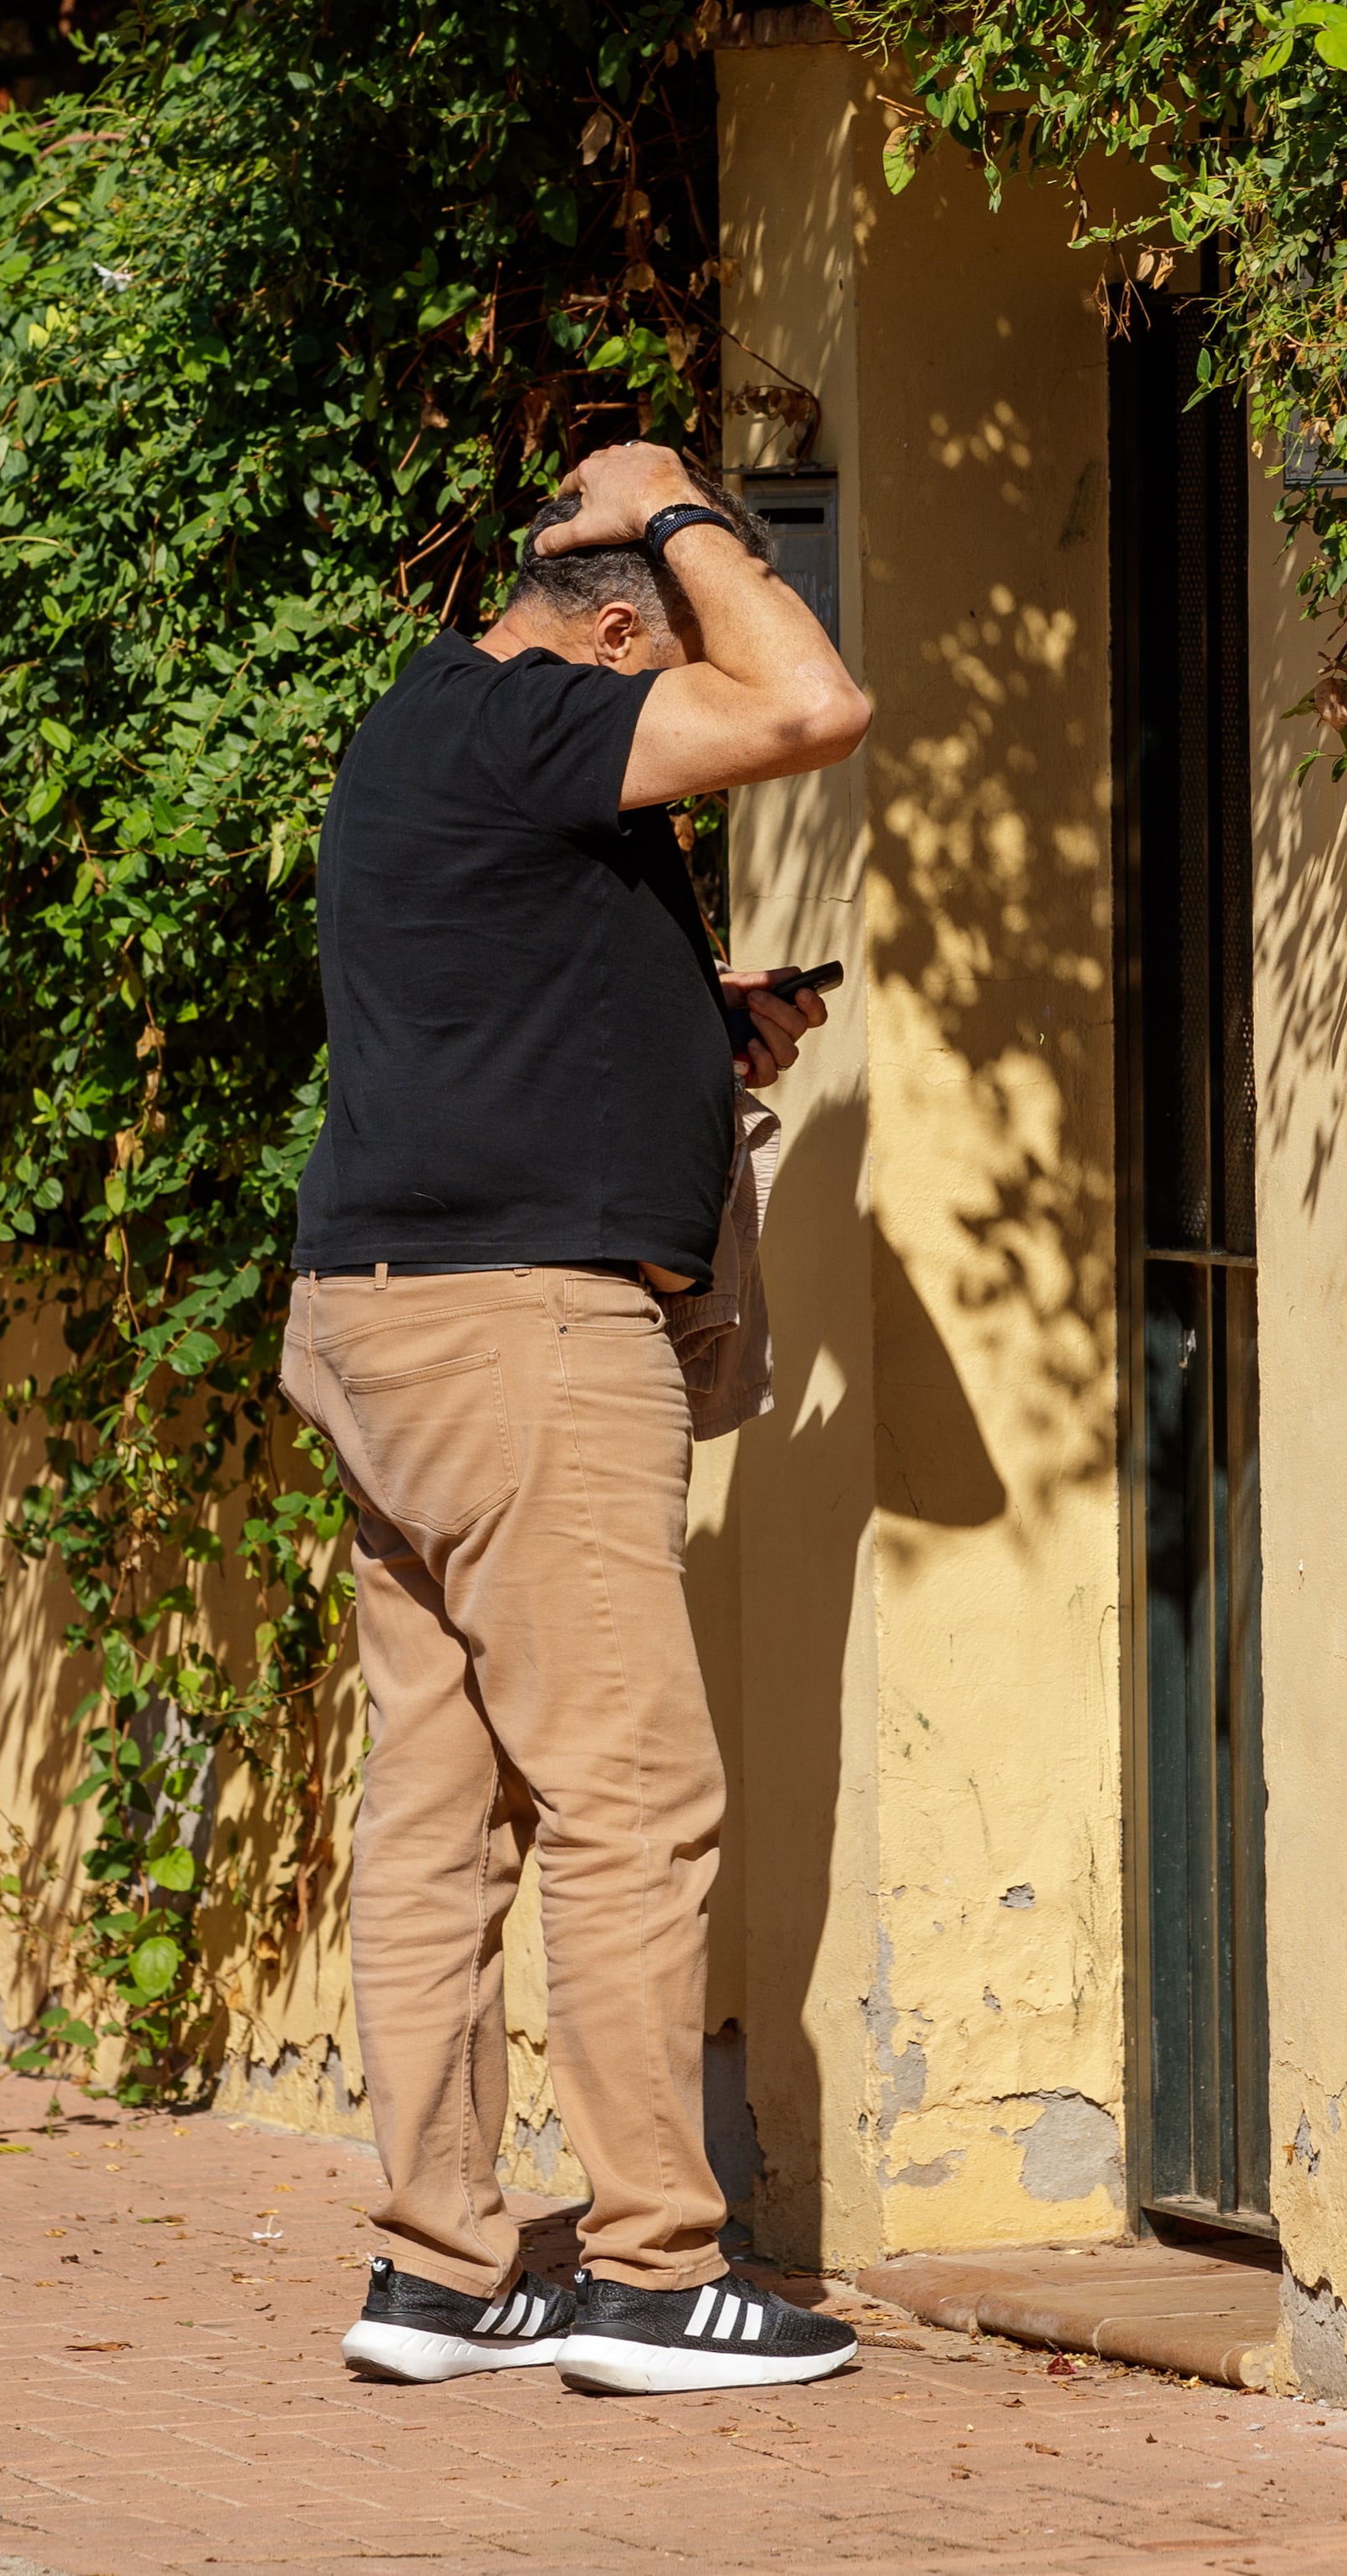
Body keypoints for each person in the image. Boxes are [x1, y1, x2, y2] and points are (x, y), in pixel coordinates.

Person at [285, 438, 870, 2396]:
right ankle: (649, 2267)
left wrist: (695, 1023)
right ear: (616, 630)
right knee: (631, 1798)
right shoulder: (543, 710)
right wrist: (688, 500)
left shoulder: (431, 733)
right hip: (526, 1335)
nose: (671, 696)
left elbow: (498, 1012)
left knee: (442, 1808)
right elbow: (813, 703)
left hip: (389, 1324)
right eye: (661, 643)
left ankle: (443, 2269)